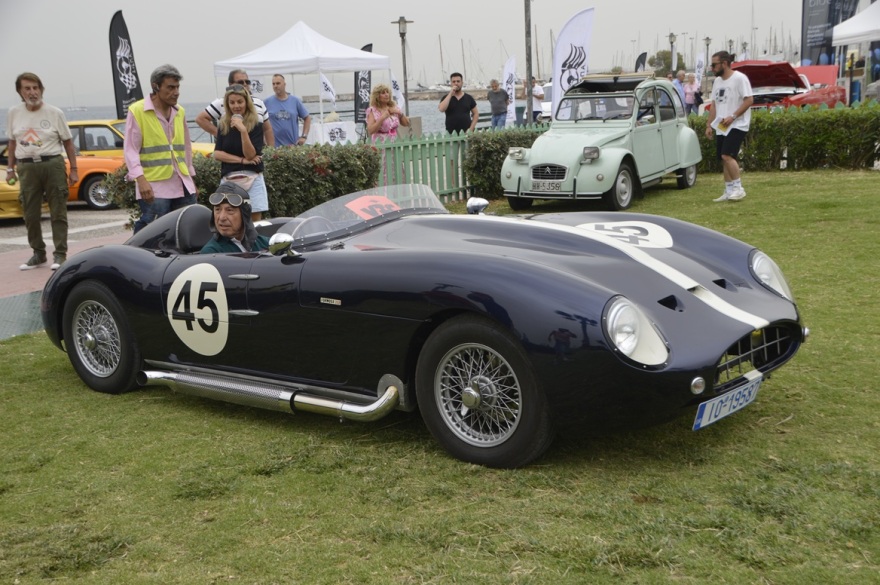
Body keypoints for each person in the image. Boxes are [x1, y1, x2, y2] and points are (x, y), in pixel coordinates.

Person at [6, 72, 77, 270]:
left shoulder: (55, 113)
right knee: (30, 212)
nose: (32, 92)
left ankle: (60, 254)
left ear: (41, 89)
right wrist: (10, 169)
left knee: (58, 211)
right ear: (20, 91)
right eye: (27, 88)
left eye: (36, 88)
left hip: (52, 163)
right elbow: (12, 143)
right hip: (26, 166)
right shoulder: (14, 113)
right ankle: (38, 253)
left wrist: (74, 170)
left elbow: (68, 143)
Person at [124, 64, 198, 233]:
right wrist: (140, 180)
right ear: (155, 86)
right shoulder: (138, 110)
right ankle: (138, 256)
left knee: (187, 228)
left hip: (182, 182)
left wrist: (190, 178)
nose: (176, 92)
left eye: (178, 87)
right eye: (170, 87)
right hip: (154, 185)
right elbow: (130, 150)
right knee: (152, 231)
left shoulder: (180, 112)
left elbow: (186, 147)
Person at [212, 84, 268, 221]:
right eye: (232, 102)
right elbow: (217, 154)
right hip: (229, 178)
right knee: (229, 220)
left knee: (255, 222)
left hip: (252, 178)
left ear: (246, 103)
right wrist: (242, 160)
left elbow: (251, 154)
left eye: (240, 102)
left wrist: (243, 130)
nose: (236, 106)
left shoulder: (256, 124)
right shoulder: (223, 125)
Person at [705, 51, 754, 202]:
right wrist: (709, 125)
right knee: (723, 157)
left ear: (724, 64)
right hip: (722, 125)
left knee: (727, 155)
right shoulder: (717, 82)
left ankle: (739, 189)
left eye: (714, 65)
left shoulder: (740, 78)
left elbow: (749, 100)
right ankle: (728, 190)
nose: (712, 68)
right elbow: (714, 104)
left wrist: (733, 116)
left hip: (738, 124)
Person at [196, 69, 274, 148]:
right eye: (240, 82)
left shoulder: (259, 102)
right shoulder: (222, 103)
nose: (245, 84)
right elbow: (200, 119)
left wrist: (271, 151)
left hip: (257, 151)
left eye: (247, 82)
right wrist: (222, 136)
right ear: (230, 84)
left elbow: (267, 129)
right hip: (232, 152)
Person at [200, 182, 269, 254]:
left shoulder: (265, 244)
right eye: (217, 210)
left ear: (245, 214)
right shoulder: (212, 252)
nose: (222, 217)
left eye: (229, 210)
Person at [263, 74, 311, 146]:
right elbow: (260, 122)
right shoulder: (266, 102)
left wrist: (304, 136)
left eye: (278, 83)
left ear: (284, 84)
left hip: (293, 147)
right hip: (274, 148)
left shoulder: (295, 101)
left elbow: (307, 118)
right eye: (273, 84)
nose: (275, 86)